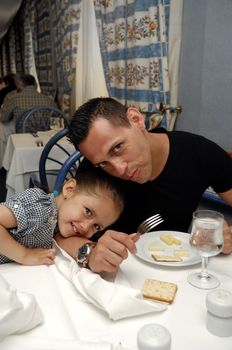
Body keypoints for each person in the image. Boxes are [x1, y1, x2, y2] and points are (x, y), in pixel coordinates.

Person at [55, 97, 232, 274]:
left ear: (136, 120)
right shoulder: (94, 173)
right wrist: (90, 253)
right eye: (103, 163)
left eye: (117, 147)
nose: (119, 169)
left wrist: (226, 235)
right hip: (114, 278)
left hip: (179, 272)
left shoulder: (199, 153)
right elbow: (60, 236)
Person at [0, 169, 124, 265]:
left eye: (96, 226)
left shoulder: (59, 222)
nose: (86, 227)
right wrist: (24, 255)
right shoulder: (40, 207)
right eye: (88, 211)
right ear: (69, 189)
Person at [0, 73, 56, 168]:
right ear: (35, 85)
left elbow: (4, 119)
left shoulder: (14, 98)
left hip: (23, 137)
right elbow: (55, 118)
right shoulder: (49, 100)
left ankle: (6, 164)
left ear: (19, 85)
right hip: (45, 139)